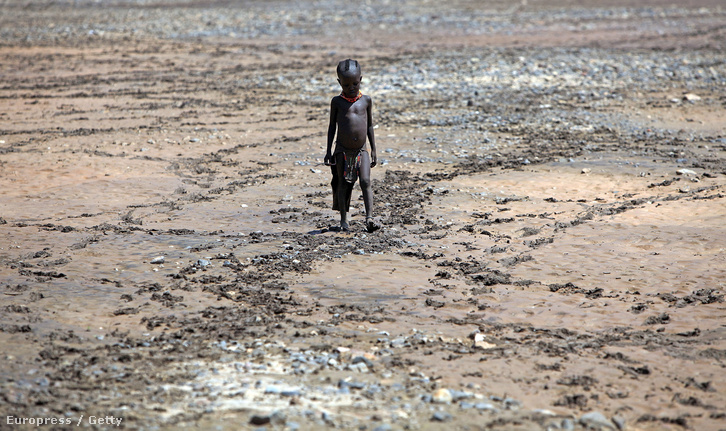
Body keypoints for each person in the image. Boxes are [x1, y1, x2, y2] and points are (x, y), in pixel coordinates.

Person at [325, 59, 379, 233]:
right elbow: (332, 127)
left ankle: (369, 218)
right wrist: (328, 151)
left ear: (361, 80)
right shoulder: (337, 102)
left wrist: (374, 149)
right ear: (339, 82)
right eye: (346, 84)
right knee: (342, 183)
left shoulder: (366, 101)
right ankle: (343, 220)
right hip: (342, 150)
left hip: (361, 150)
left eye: (355, 83)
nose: (351, 87)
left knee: (365, 181)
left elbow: (369, 125)